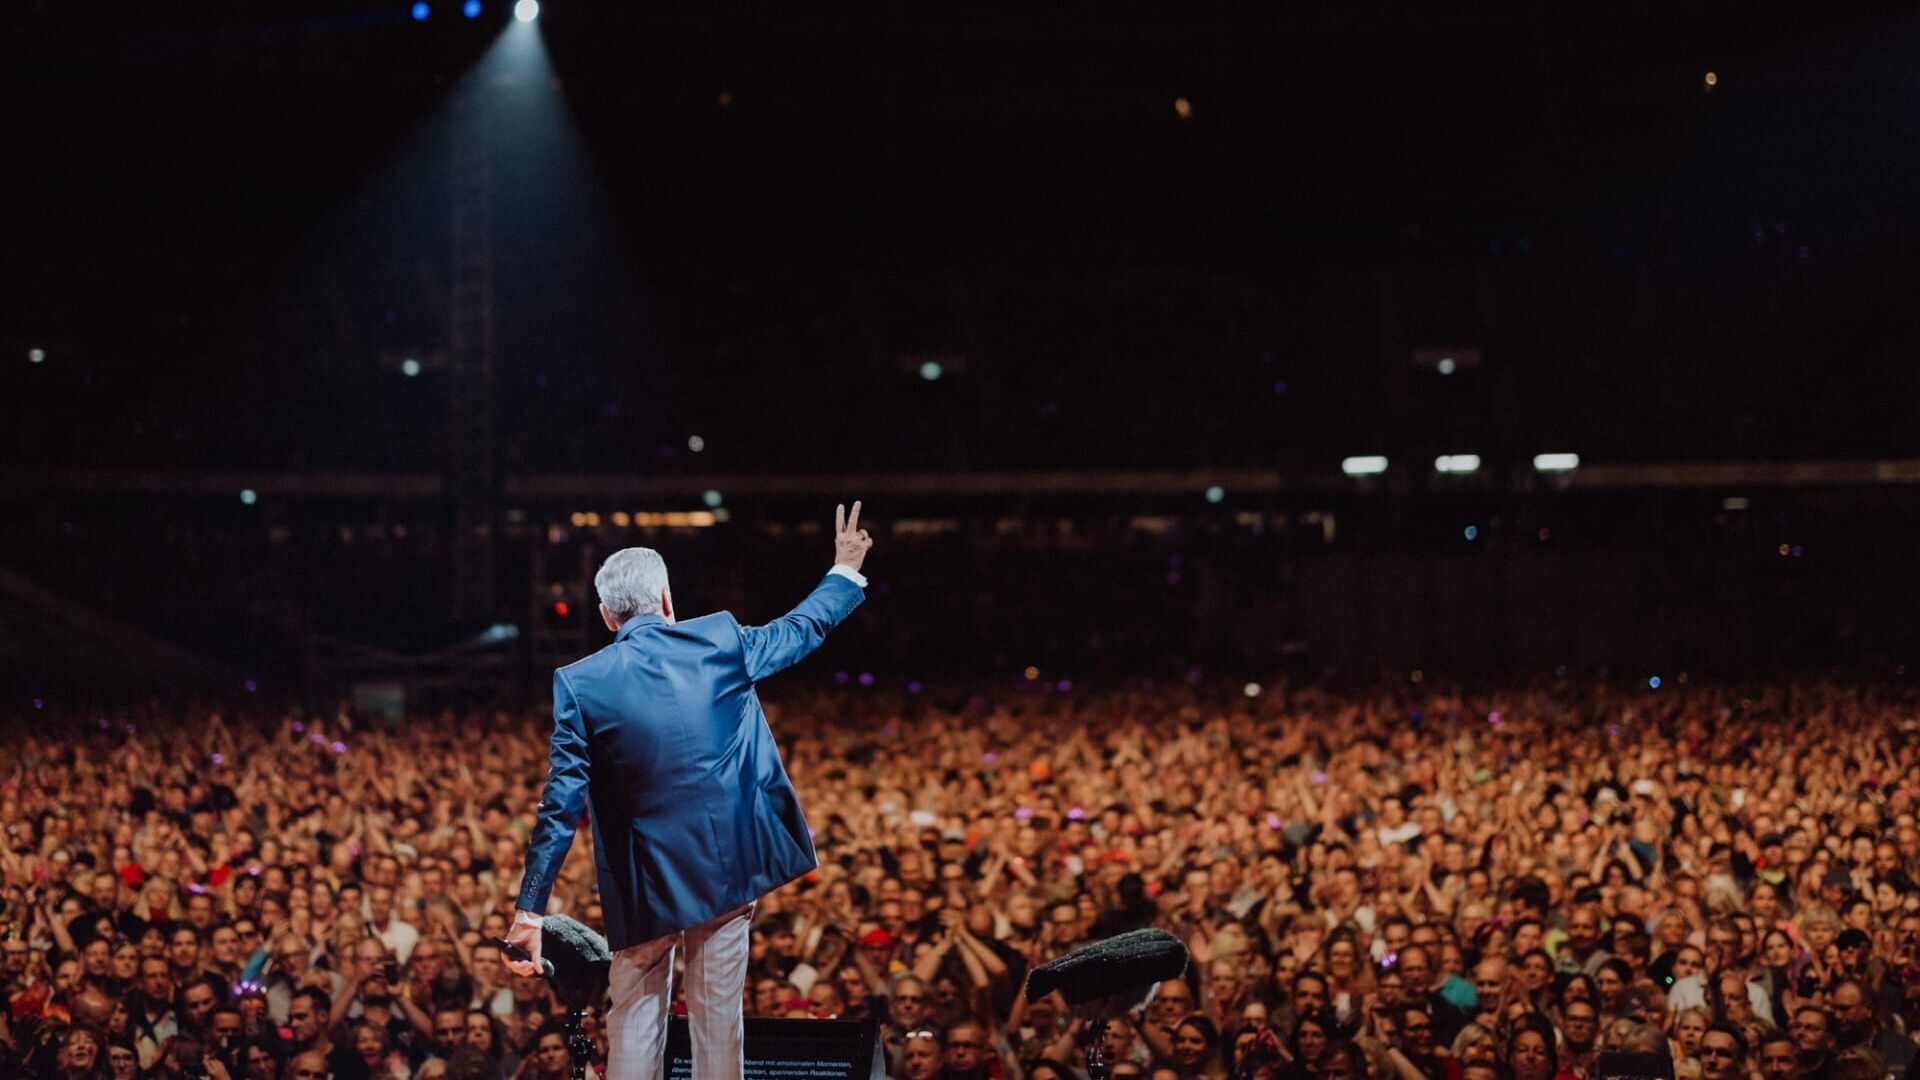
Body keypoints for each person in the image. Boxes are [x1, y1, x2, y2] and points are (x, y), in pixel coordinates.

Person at [506, 503, 875, 1080]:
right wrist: (844, 568)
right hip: (725, 869)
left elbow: (560, 806)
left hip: (645, 882)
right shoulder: (719, 639)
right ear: (666, 599)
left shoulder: (579, 683)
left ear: (607, 615)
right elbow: (801, 629)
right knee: (718, 1020)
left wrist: (530, 910)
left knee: (633, 1015)